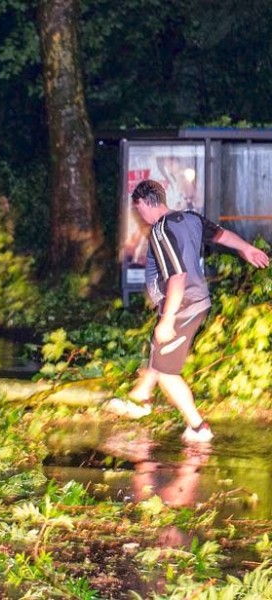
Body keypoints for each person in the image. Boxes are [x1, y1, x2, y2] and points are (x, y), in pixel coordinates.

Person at [108, 179, 270, 443]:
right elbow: (222, 235)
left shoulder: (161, 229)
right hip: (186, 302)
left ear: (149, 203)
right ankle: (141, 399)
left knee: (168, 374)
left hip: (183, 305)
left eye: (139, 210)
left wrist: (168, 318)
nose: (140, 215)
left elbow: (178, 277)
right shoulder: (190, 218)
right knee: (157, 348)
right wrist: (247, 248)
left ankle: (198, 427)